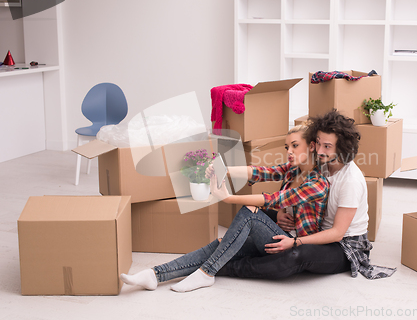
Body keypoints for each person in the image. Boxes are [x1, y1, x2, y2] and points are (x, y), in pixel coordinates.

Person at [120, 122, 330, 292]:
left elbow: (276, 198)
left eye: (295, 145)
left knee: (249, 212)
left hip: (293, 247)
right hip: (278, 235)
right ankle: (155, 275)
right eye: (287, 147)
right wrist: (223, 169)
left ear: (311, 146)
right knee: (221, 243)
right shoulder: (292, 171)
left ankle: (207, 273)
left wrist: (228, 198)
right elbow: (260, 171)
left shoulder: (317, 183)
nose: (289, 152)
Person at [216, 109, 396, 280]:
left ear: (341, 148)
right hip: (316, 229)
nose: (319, 150)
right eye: (318, 143)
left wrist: (296, 242)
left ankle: (230, 267)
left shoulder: (350, 181)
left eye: (327, 146)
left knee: (296, 254)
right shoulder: (321, 163)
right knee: (257, 212)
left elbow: (337, 233)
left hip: (343, 245)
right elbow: (268, 172)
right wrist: (223, 170)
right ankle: (234, 250)